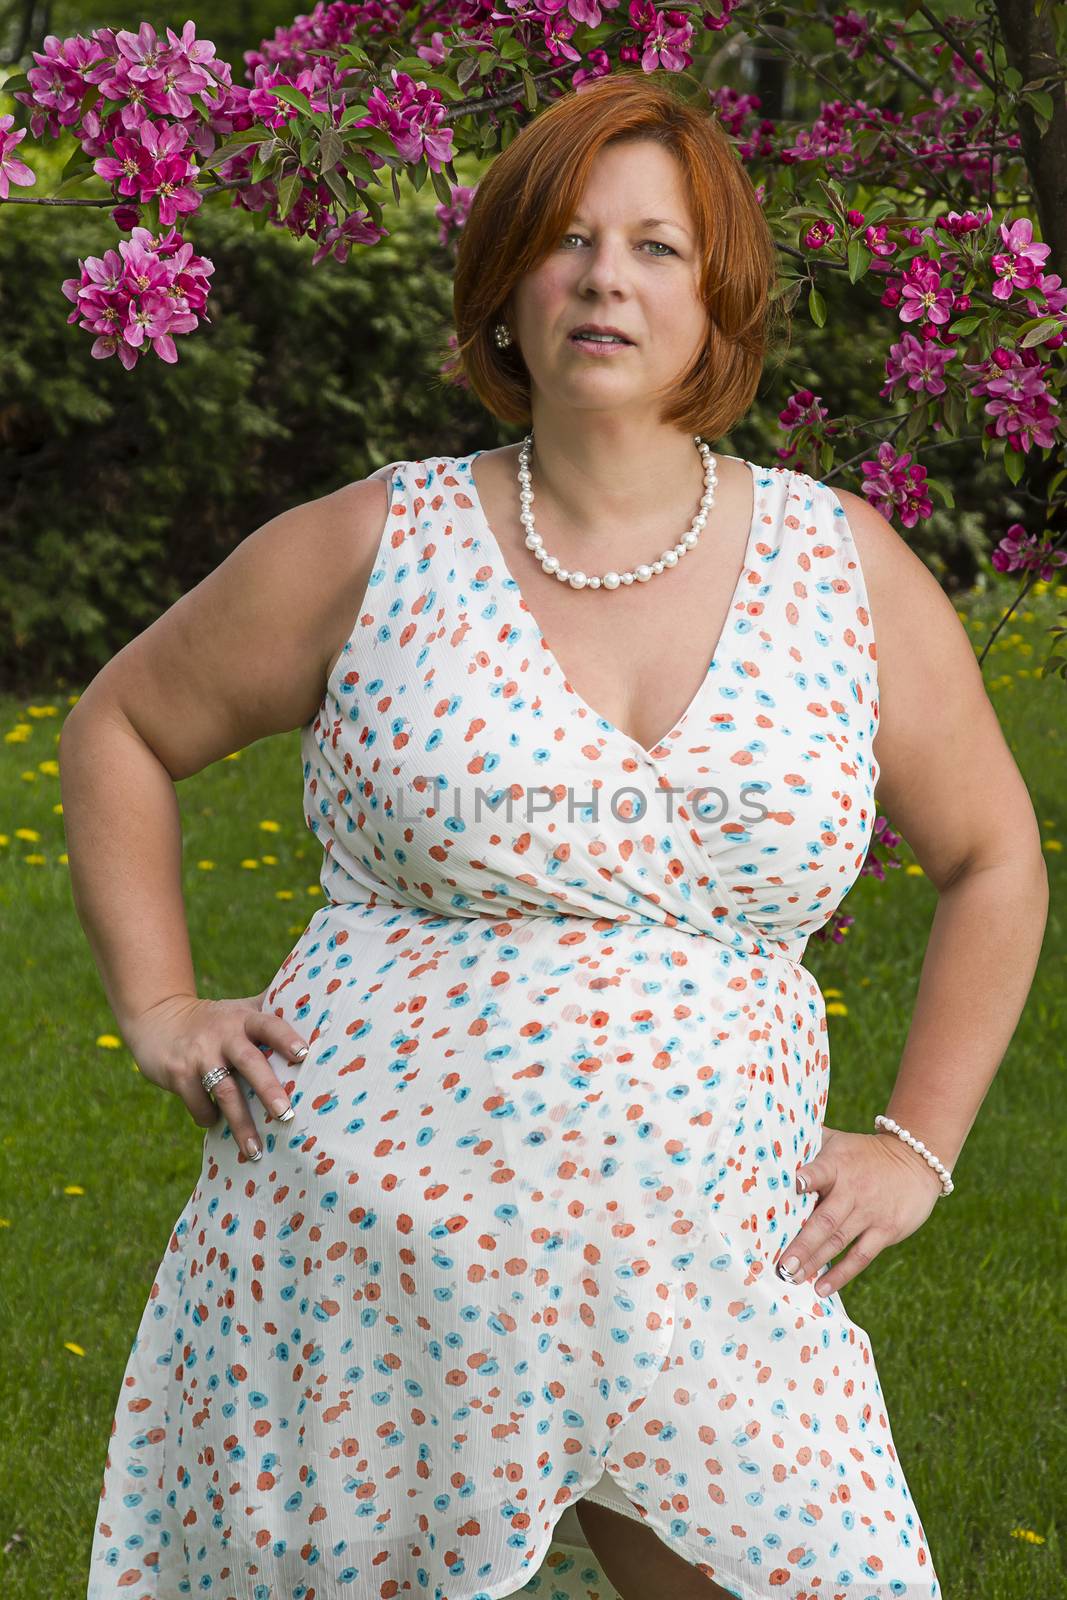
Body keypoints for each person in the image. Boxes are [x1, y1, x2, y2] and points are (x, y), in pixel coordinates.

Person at [63, 68, 1047, 1600]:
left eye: (658, 247)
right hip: (368, 1259)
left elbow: (993, 857)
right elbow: (119, 726)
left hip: (716, 1275)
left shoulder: (841, 568)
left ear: (718, 304)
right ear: (503, 289)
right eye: (568, 240)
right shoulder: (379, 542)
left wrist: (920, 1145)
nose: (606, 278)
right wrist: (162, 1005)